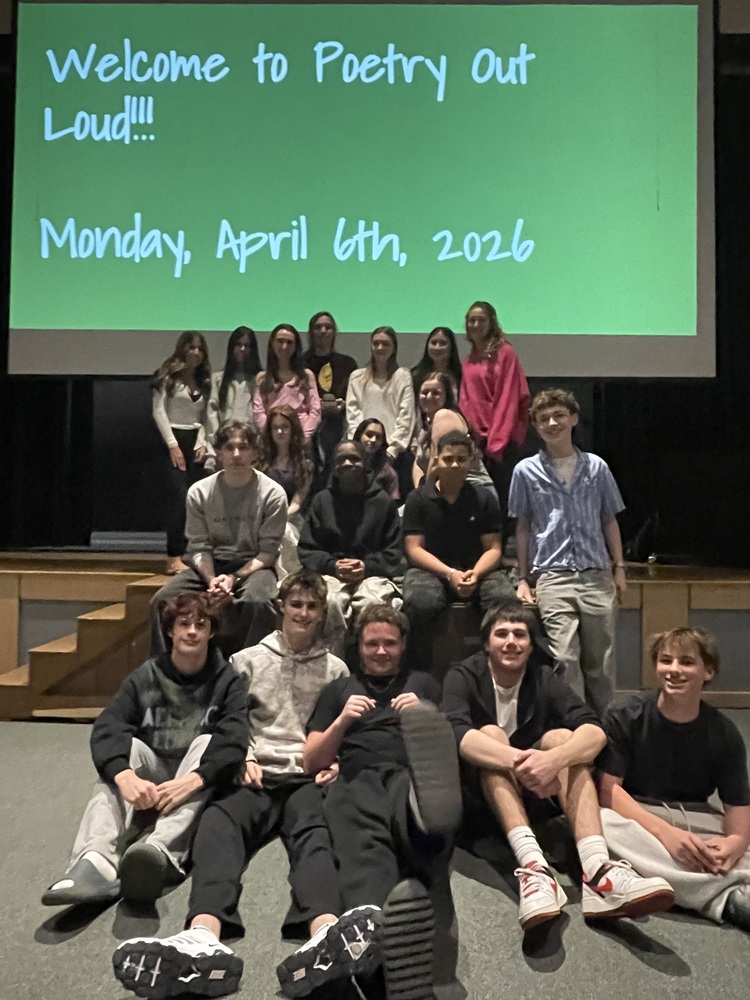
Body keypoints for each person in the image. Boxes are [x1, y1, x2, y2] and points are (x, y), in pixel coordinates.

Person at [114, 569, 378, 1000]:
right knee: (217, 829)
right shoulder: (247, 660)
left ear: (322, 612)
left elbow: (341, 727)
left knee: (317, 841)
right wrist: (245, 755)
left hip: (304, 777)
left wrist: (336, 762)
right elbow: (230, 721)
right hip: (252, 773)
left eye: (313, 606)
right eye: (296, 604)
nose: (304, 613)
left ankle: (324, 935)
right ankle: (202, 935)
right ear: (280, 607)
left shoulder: (336, 669)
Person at [442, 603, 674, 932]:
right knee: (490, 735)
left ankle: (598, 870)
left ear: (530, 645)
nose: (511, 642)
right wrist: (524, 764)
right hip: (483, 801)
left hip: (539, 793)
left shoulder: (543, 677)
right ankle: (535, 869)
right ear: (486, 644)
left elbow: (594, 730)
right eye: (502, 634)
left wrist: (553, 760)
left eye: (520, 635)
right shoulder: (463, 676)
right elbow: (458, 735)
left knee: (563, 739)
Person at [43, 593, 249, 908]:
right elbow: (108, 727)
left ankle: (158, 852)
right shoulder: (146, 676)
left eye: (201, 624)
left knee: (208, 743)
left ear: (211, 632)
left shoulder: (227, 680)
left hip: (192, 781)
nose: (192, 631)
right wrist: (124, 775)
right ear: (170, 631)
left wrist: (195, 779)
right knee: (126, 751)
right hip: (153, 775)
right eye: (184, 624)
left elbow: (235, 738)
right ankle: (95, 861)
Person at [302, 604, 462, 1000]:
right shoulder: (339, 689)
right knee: (365, 859)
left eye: (389, 643)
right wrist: (342, 721)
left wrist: (423, 713)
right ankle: (385, 965)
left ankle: (424, 820)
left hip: (409, 772)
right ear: (359, 647)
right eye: (372, 643)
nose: (380, 651)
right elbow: (311, 760)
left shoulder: (422, 683)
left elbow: (450, 736)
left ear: (403, 645)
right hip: (354, 778)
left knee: (413, 799)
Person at [598, 627, 750, 932]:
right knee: (598, 824)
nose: (674, 670)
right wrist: (667, 835)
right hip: (637, 817)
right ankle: (725, 897)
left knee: (738, 845)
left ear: (708, 672)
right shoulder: (624, 715)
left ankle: (674, 881)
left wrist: (735, 842)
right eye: (666, 660)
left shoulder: (724, 733)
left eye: (687, 662)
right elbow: (608, 792)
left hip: (694, 817)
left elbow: (738, 807)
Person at [509, 388, 627, 714]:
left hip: (596, 573)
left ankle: (605, 729)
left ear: (573, 419)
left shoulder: (597, 467)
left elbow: (609, 519)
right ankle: (577, 724)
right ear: (536, 426)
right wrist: (523, 578)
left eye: (559, 415)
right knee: (564, 658)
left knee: (601, 663)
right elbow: (523, 526)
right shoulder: (525, 471)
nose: (552, 423)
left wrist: (619, 566)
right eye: (544, 418)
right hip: (553, 576)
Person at [149, 420, 287, 659]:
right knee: (161, 600)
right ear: (219, 453)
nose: (236, 454)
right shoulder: (199, 492)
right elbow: (198, 547)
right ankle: (163, 669)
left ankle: (249, 668)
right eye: (229, 447)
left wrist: (234, 578)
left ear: (255, 452)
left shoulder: (272, 494)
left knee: (258, 602)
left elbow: (267, 552)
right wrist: (212, 580)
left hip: (254, 566)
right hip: (211, 564)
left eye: (243, 447)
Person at [402, 430, 515, 670]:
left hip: (477, 570)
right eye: (448, 459)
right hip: (430, 571)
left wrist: (475, 573)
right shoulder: (418, 499)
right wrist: (449, 573)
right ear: (436, 459)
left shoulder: (484, 498)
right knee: (420, 602)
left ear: (471, 462)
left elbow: (494, 548)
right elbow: (414, 549)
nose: (454, 465)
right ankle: (417, 672)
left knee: (504, 599)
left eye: (461, 459)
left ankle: (497, 669)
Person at [298, 440, 402, 656]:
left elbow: (393, 552)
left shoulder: (383, 502)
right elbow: (308, 549)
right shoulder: (322, 501)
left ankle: (372, 662)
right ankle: (333, 663)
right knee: (331, 601)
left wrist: (366, 567)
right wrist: (332, 565)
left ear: (366, 463)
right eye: (341, 460)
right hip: (330, 574)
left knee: (372, 604)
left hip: (372, 574)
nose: (347, 463)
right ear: (334, 466)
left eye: (354, 458)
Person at [458, 301, 529, 517]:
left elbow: (508, 397)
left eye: (481, 320)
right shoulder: (469, 360)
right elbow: (466, 400)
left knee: (504, 500)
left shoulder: (505, 353)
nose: (476, 324)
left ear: (492, 323)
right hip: (476, 440)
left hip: (500, 441)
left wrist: (497, 441)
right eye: (472, 320)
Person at [152, 331, 212, 574]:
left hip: (194, 443)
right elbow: (158, 411)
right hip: (171, 441)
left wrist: (202, 442)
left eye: (200, 349)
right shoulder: (166, 376)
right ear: (182, 349)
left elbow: (204, 417)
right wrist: (172, 444)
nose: (196, 353)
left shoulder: (204, 381)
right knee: (178, 498)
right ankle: (173, 556)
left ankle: (189, 552)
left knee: (194, 500)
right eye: (192, 347)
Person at [345, 327, 416, 497]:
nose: (380, 348)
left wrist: (393, 449)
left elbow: (406, 415)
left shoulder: (402, 376)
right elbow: (353, 414)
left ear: (394, 348)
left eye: (385, 344)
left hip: (393, 454)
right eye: (376, 343)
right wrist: (359, 445)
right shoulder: (357, 377)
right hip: (363, 452)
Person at [411, 372, 495, 496]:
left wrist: (425, 497)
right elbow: (418, 464)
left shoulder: (444, 416)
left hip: (473, 492)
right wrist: (420, 488)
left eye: (436, 393)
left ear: (447, 396)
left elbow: (436, 463)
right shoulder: (425, 429)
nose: (429, 397)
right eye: (424, 392)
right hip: (450, 491)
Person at [302, 311, 357, 491]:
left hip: (337, 426)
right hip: (306, 428)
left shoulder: (347, 364)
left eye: (328, 327)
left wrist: (343, 404)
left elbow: (355, 398)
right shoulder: (300, 363)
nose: (323, 331)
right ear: (311, 332)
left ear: (334, 332)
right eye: (318, 327)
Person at [257, 405, 314, 578]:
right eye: (275, 427)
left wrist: (279, 518)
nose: (280, 432)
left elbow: (298, 501)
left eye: (285, 427)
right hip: (261, 516)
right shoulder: (260, 460)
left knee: (285, 534)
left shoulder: (305, 464)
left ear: (293, 429)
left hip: (291, 518)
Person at [253, 324, 321, 441]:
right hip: (271, 440)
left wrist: (304, 436)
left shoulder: (306, 376)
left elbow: (315, 410)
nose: (284, 346)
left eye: (289, 342)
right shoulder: (262, 378)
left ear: (296, 346)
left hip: (300, 439)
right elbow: (258, 411)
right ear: (272, 344)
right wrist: (271, 435)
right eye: (280, 341)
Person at [206, 327, 262, 447]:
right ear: (231, 348)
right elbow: (212, 413)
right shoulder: (217, 379)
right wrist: (218, 442)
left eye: (247, 345)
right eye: (238, 344)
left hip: (253, 444)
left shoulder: (260, 380)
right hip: (225, 443)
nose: (242, 349)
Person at [353, 417, 400, 500]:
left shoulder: (387, 472)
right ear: (359, 435)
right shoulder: (346, 461)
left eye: (378, 437)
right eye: (369, 435)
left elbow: (393, 500)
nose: (373, 440)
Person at [410, 326, 463, 398]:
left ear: (452, 347)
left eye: (443, 343)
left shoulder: (461, 376)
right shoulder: (415, 375)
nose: (437, 347)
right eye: (433, 343)